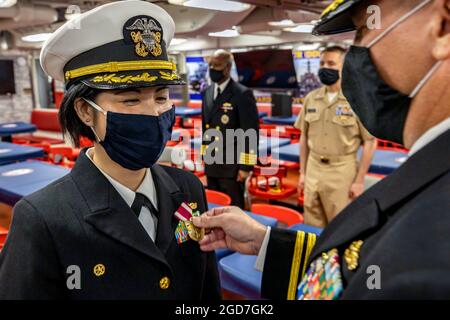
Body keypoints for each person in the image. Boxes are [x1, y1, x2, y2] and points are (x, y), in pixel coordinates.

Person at [194, 0, 450, 299]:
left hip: (336, 169)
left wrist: (246, 165)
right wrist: (264, 242)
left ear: (443, 27)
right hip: (282, 165)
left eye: (363, 30)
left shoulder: (436, 251)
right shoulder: (430, 172)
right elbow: (358, 264)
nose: (357, 53)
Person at [0, 0, 220, 299]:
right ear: (85, 112)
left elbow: (206, 290)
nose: (154, 114)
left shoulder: (188, 188)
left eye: (161, 96)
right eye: (130, 100)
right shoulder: (43, 218)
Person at [295, 46, 377, 228]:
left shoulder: (358, 100)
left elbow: (370, 142)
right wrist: (302, 172)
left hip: (341, 172)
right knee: (312, 225)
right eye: (322, 63)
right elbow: (304, 138)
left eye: (331, 63)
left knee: (340, 227)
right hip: (313, 169)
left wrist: (359, 180)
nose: (325, 67)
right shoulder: (311, 98)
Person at [201, 50, 260, 209]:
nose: (213, 69)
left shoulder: (242, 94)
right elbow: (205, 128)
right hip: (212, 161)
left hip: (232, 166)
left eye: (217, 65)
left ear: (227, 68)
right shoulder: (206, 92)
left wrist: (246, 167)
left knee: (233, 210)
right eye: (211, 65)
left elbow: (250, 133)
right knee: (213, 207)